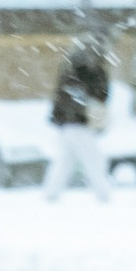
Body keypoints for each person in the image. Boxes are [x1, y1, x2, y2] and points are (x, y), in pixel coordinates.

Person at [44, 22, 115, 200]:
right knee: (92, 160)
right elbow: (98, 95)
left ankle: (51, 194)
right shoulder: (88, 69)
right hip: (78, 121)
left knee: (66, 161)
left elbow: (64, 95)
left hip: (70, 121)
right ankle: (104, 195)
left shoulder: (72, 66)